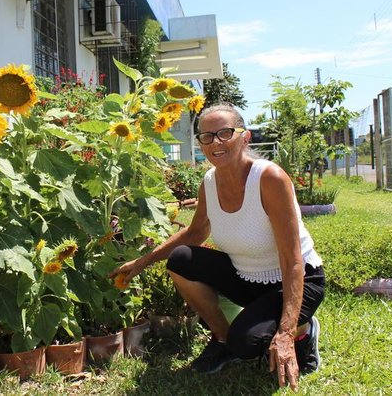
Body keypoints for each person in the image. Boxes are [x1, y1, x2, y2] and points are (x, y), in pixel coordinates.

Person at [110, 103, 325, 391]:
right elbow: (196, 232)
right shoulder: (209, 182)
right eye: (207, 136)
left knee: (248, 343)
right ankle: (223, 340)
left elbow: (293, 261)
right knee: (182, 259)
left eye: (225, 133)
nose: (216, 143)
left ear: (245, 137)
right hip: (246, 277)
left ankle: (303, 331)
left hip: (295, 280)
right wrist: (141, 262)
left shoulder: (269, 178)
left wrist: (285, 333)